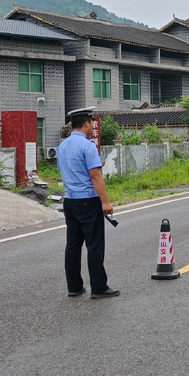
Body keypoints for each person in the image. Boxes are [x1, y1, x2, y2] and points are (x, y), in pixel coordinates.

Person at [57, 107, 120, 299]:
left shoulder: (62, 146)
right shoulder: (88, 146)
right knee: (94, 245)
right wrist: (106, 202)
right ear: (86, 123)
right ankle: (99, 287)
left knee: (73, 245)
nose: (93, 126)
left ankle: (74, 286)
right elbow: (95, 176)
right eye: (92, 122)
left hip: (70, 201)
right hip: (88, 200)